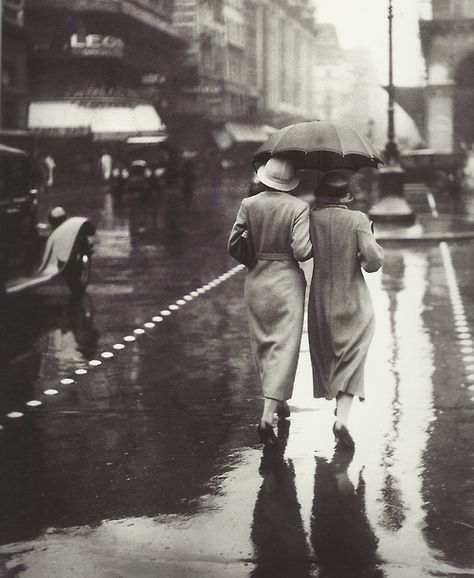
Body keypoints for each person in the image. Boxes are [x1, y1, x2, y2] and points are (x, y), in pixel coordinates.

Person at [228, 156, 312, 447]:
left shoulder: (249, 205)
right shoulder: (299, 208)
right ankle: (267, 414)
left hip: (256, 280)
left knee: (263, 343)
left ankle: (279, 402)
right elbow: (301, 251)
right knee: (285, 346)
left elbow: (233, 244)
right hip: (287, 281)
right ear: (290, 183)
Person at [308, 168, 384, 449]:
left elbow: (303, 250)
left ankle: (338, 408)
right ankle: (342, 420)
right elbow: (372, 262)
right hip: (351, 296)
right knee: (353, 355)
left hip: (319, 298)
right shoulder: (357, 219)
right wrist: (370, 239)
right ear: (346, 196)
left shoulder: (311, 217)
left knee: (330, 353)